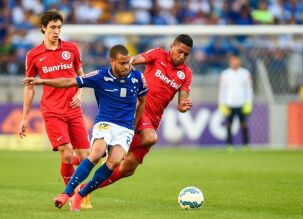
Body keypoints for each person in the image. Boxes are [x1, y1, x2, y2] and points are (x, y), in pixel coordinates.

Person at [24, 44, 148, 211]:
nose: (126, 66)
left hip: (125, 128)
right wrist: (42, 81)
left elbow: (142, 102)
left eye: (127, 63)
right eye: (122, 63)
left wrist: (133, 126)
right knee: (96, 154)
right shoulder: (100, 75)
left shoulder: (138, 77)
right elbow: (69, 81)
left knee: (114, 162)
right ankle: (66, 194)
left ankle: (80, 195)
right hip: (105, 122)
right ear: (112, 62)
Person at [90, 34, 194, 199]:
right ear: (172, 46)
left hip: (154, 119)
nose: (181, 57)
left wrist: (183, 106)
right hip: (138, 108)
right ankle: (115, 146)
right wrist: (128, 64)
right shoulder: (158, 54)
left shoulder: (186, 74)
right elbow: (135, 59)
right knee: (150, 138)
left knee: (127, 170)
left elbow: (182, 100)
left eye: (186, 54)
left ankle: (84, 191)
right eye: (179, 51)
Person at [18, 9, 92, 208]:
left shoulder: (72, 48)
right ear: (43, 28)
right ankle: (73, 195)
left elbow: (80, 75)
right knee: (67, 154)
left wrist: (79, 93)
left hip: (73, 109)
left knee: (86, 157)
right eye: (53, 27)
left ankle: (80, 188)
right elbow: (30, 86)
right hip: (52, 111)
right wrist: (24, 117)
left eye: (59, 27)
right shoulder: (33, 55)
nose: (57, 31)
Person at [218, 52, 253, 150]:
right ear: (230, 61)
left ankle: (246, 145)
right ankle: (229, 145)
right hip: (229, 103)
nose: (234, 62)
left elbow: (249, 89)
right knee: (229, 124)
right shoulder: (225, 74)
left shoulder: (245, 73)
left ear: (239, 61)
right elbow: (222, 90)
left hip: (242, 103)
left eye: (236, 60)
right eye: (233, 60)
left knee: (244, 124)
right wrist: (222, 104)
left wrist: (249, 103)